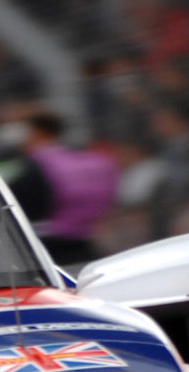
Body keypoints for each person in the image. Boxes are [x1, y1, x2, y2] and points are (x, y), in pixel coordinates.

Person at [24, 112, 118, 267]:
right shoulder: (91, 160)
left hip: (48, 240)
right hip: (86, 237)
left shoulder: (35, 161)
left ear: (37, 131)